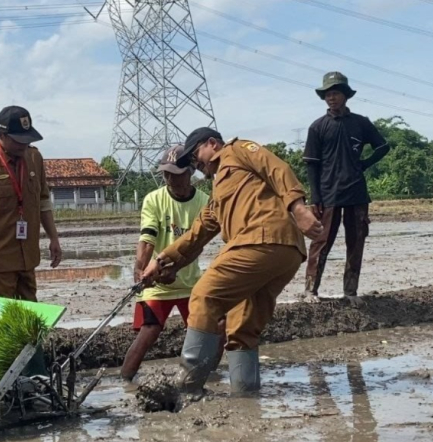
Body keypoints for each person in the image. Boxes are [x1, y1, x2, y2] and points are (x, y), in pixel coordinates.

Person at [141, 127, 323, 395]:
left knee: (204, 296)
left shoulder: (237, 150)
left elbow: (277, 168)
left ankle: (186, 388)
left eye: (195, 156)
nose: (195, 165)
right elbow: (199, 232)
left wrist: (299, 209)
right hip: (284, 253)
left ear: (212, 143)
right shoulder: (219, 192)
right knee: (241, 327)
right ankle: (246, 396)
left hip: (261, 239)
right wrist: (165, 260)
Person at [120, 144, 224, 381]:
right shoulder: (153, 200)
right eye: (166, 174)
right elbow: (147, 238)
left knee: (215, 329)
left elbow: (197, 244)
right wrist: (140, 269)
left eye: (177, 174)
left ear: (190, 172)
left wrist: (176, 268)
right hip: (156, 279)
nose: (171, 179)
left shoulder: (205, 203)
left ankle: (206, 376)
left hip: (189, 283)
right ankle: (125, 381)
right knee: (150, 330)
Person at [303, 72, 391, 305]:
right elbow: (311, 165)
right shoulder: (318, 127)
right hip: (328, 194)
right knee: (321, 243)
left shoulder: (360, 123)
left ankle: (350, 292)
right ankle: (311, 290)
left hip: (356, 193)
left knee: (356, 241)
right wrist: (315, 198)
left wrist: (364, 164)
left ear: (345, 95)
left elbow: (383, 146)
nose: (332, 98)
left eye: (336, 93)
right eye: (328, 94)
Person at [0, 105, 62, 301]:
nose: (23, 145)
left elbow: (43, 202)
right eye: (18, 141)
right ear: (1, 135)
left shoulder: (34, 157)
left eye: (27, 139)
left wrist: (54, 239)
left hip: (28, 257)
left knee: (30, 313)